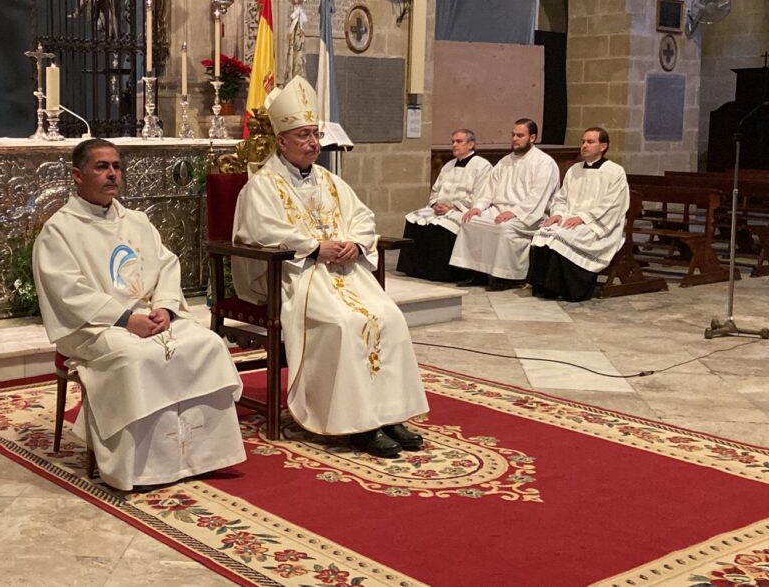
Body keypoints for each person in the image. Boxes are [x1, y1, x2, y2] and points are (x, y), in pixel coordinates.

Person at [231, 77, 430, 459]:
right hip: (295, 276)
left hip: (344, 274)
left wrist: (355, 244)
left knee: (389, 316)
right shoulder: (262, 186)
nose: (313, 143)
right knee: (343, 323)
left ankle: (388, 414)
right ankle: (355, 423)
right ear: (282, 141)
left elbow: (363, 218)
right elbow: (259, 231)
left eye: (315, 135)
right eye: (304, 135)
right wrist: (313, 247)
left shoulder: (330, 181)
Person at [33, 138, 246, 491]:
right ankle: (141, 468)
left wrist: (163, 306)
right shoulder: (60, 230)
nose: (112, 174)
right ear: (76, 174)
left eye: (117, 166)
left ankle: (203, 456)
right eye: (102, 167)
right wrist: (124, 318)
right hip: (94, 328)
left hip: (148, 316)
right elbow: (67, 291)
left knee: (207, 344)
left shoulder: (136, 221)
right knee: (134, 357)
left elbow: (166, 265)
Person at [449, 119, 559, 290]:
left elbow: (538, 196)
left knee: (503, 228)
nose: (515, 138)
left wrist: (515, 212)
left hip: (529, 215)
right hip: (499, 210)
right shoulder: (505, 161)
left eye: (520, 135)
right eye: (513, 135)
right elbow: (488, 190)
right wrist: (477, 207)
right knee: (470, 221)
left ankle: (507, 277)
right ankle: (476, 273)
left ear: (533, 137)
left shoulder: (544, 163)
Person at [528, 127, 629, 302]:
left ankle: (572, 289)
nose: (584, 146)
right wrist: (558, 214)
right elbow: (561, 197)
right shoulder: (574, 169)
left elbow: (612, 205)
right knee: (544, 232)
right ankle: (546, 288)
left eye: (590, 142)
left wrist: (583, 218)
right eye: (583, 142)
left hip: (597, 225)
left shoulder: (615, 172)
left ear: (603, 146)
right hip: (569, 219)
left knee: (564, 237)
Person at [397, 129, 492, 282]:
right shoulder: (448, 165)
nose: (454, 145)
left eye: (459, 141)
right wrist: (435, 204)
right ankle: (416, 269)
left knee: (441, 228)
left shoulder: (482, 166)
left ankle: (441, 273)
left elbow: (480, 194)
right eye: (452, 141)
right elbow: (436, 190)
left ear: (471, 144)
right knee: (413, 220)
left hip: (462, 210)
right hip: (441, 209)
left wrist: (452, 207)